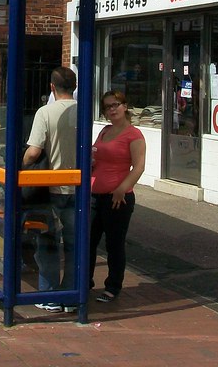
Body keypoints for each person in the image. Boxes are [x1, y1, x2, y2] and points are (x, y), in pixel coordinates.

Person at [23, 66, 78, 312]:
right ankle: (71, 295)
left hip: (51, 190)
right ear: (74, 86)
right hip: (77, 189)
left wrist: (21, 164)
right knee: (74, 245)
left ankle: (49, 295)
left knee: (48, 244)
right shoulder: (82, 112)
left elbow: (34, 151)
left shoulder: (45, 112)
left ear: (52, 87)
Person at [89, 90, 145, 303]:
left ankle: (112, 287)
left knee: (114, 244)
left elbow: (138, 166)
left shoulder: (134, 135)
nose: (112, 109)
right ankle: (86, 282)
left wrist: (122, 189)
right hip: (94, 195)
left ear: (125, 106)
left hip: (117, 199)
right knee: (89, 241)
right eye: (107, 107)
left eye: (116, 105)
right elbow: (95, 155)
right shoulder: (104, 131)